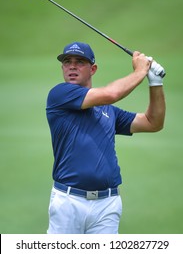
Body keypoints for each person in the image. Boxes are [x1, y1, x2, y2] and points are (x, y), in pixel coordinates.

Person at [46, 41, 166, 234]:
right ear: (62, 68)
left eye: (80, 62)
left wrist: (155, 82)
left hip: (107, 205)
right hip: (68, 203)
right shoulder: (60, 95)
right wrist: (140, 71)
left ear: (93, 69)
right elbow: (112, 93)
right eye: (67, 61)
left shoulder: (108, 111)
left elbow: (153, 123)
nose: (72, 66)